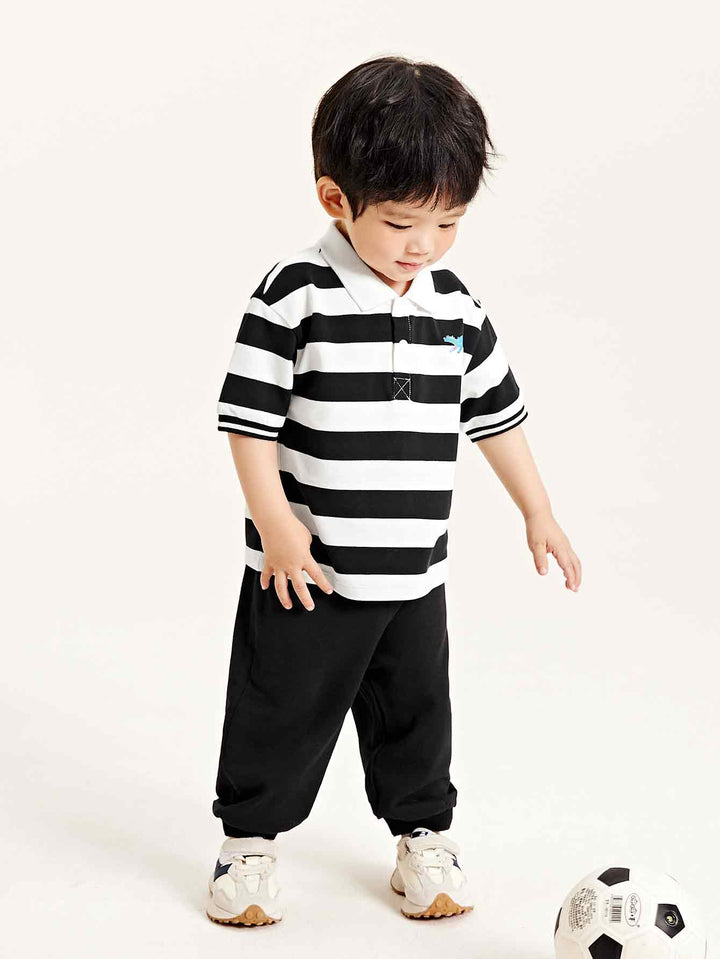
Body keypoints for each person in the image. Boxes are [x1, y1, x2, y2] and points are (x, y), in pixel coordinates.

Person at [206, 55, 582, 927]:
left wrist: (539, 510)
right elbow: (248, 423)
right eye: (404, 222)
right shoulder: (295, 294)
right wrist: (277, 525)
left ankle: (423, 838)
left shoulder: (456, 307)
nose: (425, 245)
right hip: (308, 571)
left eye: (448, 223)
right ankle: (248, 846)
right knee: (280, 707)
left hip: (415, 571)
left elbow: (495, 417)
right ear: (336, 199)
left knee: (416, 713)